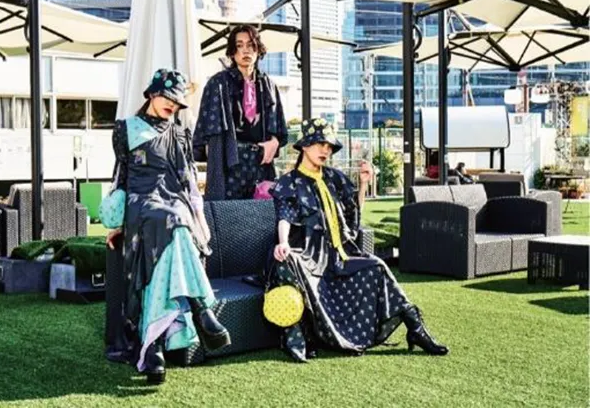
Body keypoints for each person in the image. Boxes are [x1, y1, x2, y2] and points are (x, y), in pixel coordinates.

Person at [267, 117, 448, 362]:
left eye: (329, 146)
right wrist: (283, 242)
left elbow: (351, 214)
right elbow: (285, 215)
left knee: (377, 266)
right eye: (320, 144)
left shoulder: (334, 178)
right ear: (305, 146)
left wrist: (363, 185)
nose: (325, 150)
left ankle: (415, 328)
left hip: (340, 254)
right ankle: (303, 337)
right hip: (310, 255)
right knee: (287, 260)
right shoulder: (289, 182)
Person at [105, 69, 231, 385]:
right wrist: (116, 221)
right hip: (141, 204)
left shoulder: (180, 134)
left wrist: (200, 220)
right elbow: (120, 176)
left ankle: (153, 348)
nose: (172, 105)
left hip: (174, 203)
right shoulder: (125, 129)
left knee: (178, 226)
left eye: (177, 102)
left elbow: (189, 183)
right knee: (172, 222)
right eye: (167, 97)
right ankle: (202, 309)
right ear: (152, 93)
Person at [193, 24, 288, 200]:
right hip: (229, 164)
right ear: (232, 51)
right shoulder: (217, 83)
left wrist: (274, 142)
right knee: (227, 213)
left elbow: (279, 128)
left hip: (260, 163)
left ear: (258, 49)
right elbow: (205, 131)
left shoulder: (268, 84)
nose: (245, 50)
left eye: (251, 45)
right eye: (239, 45)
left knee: (261, 212)